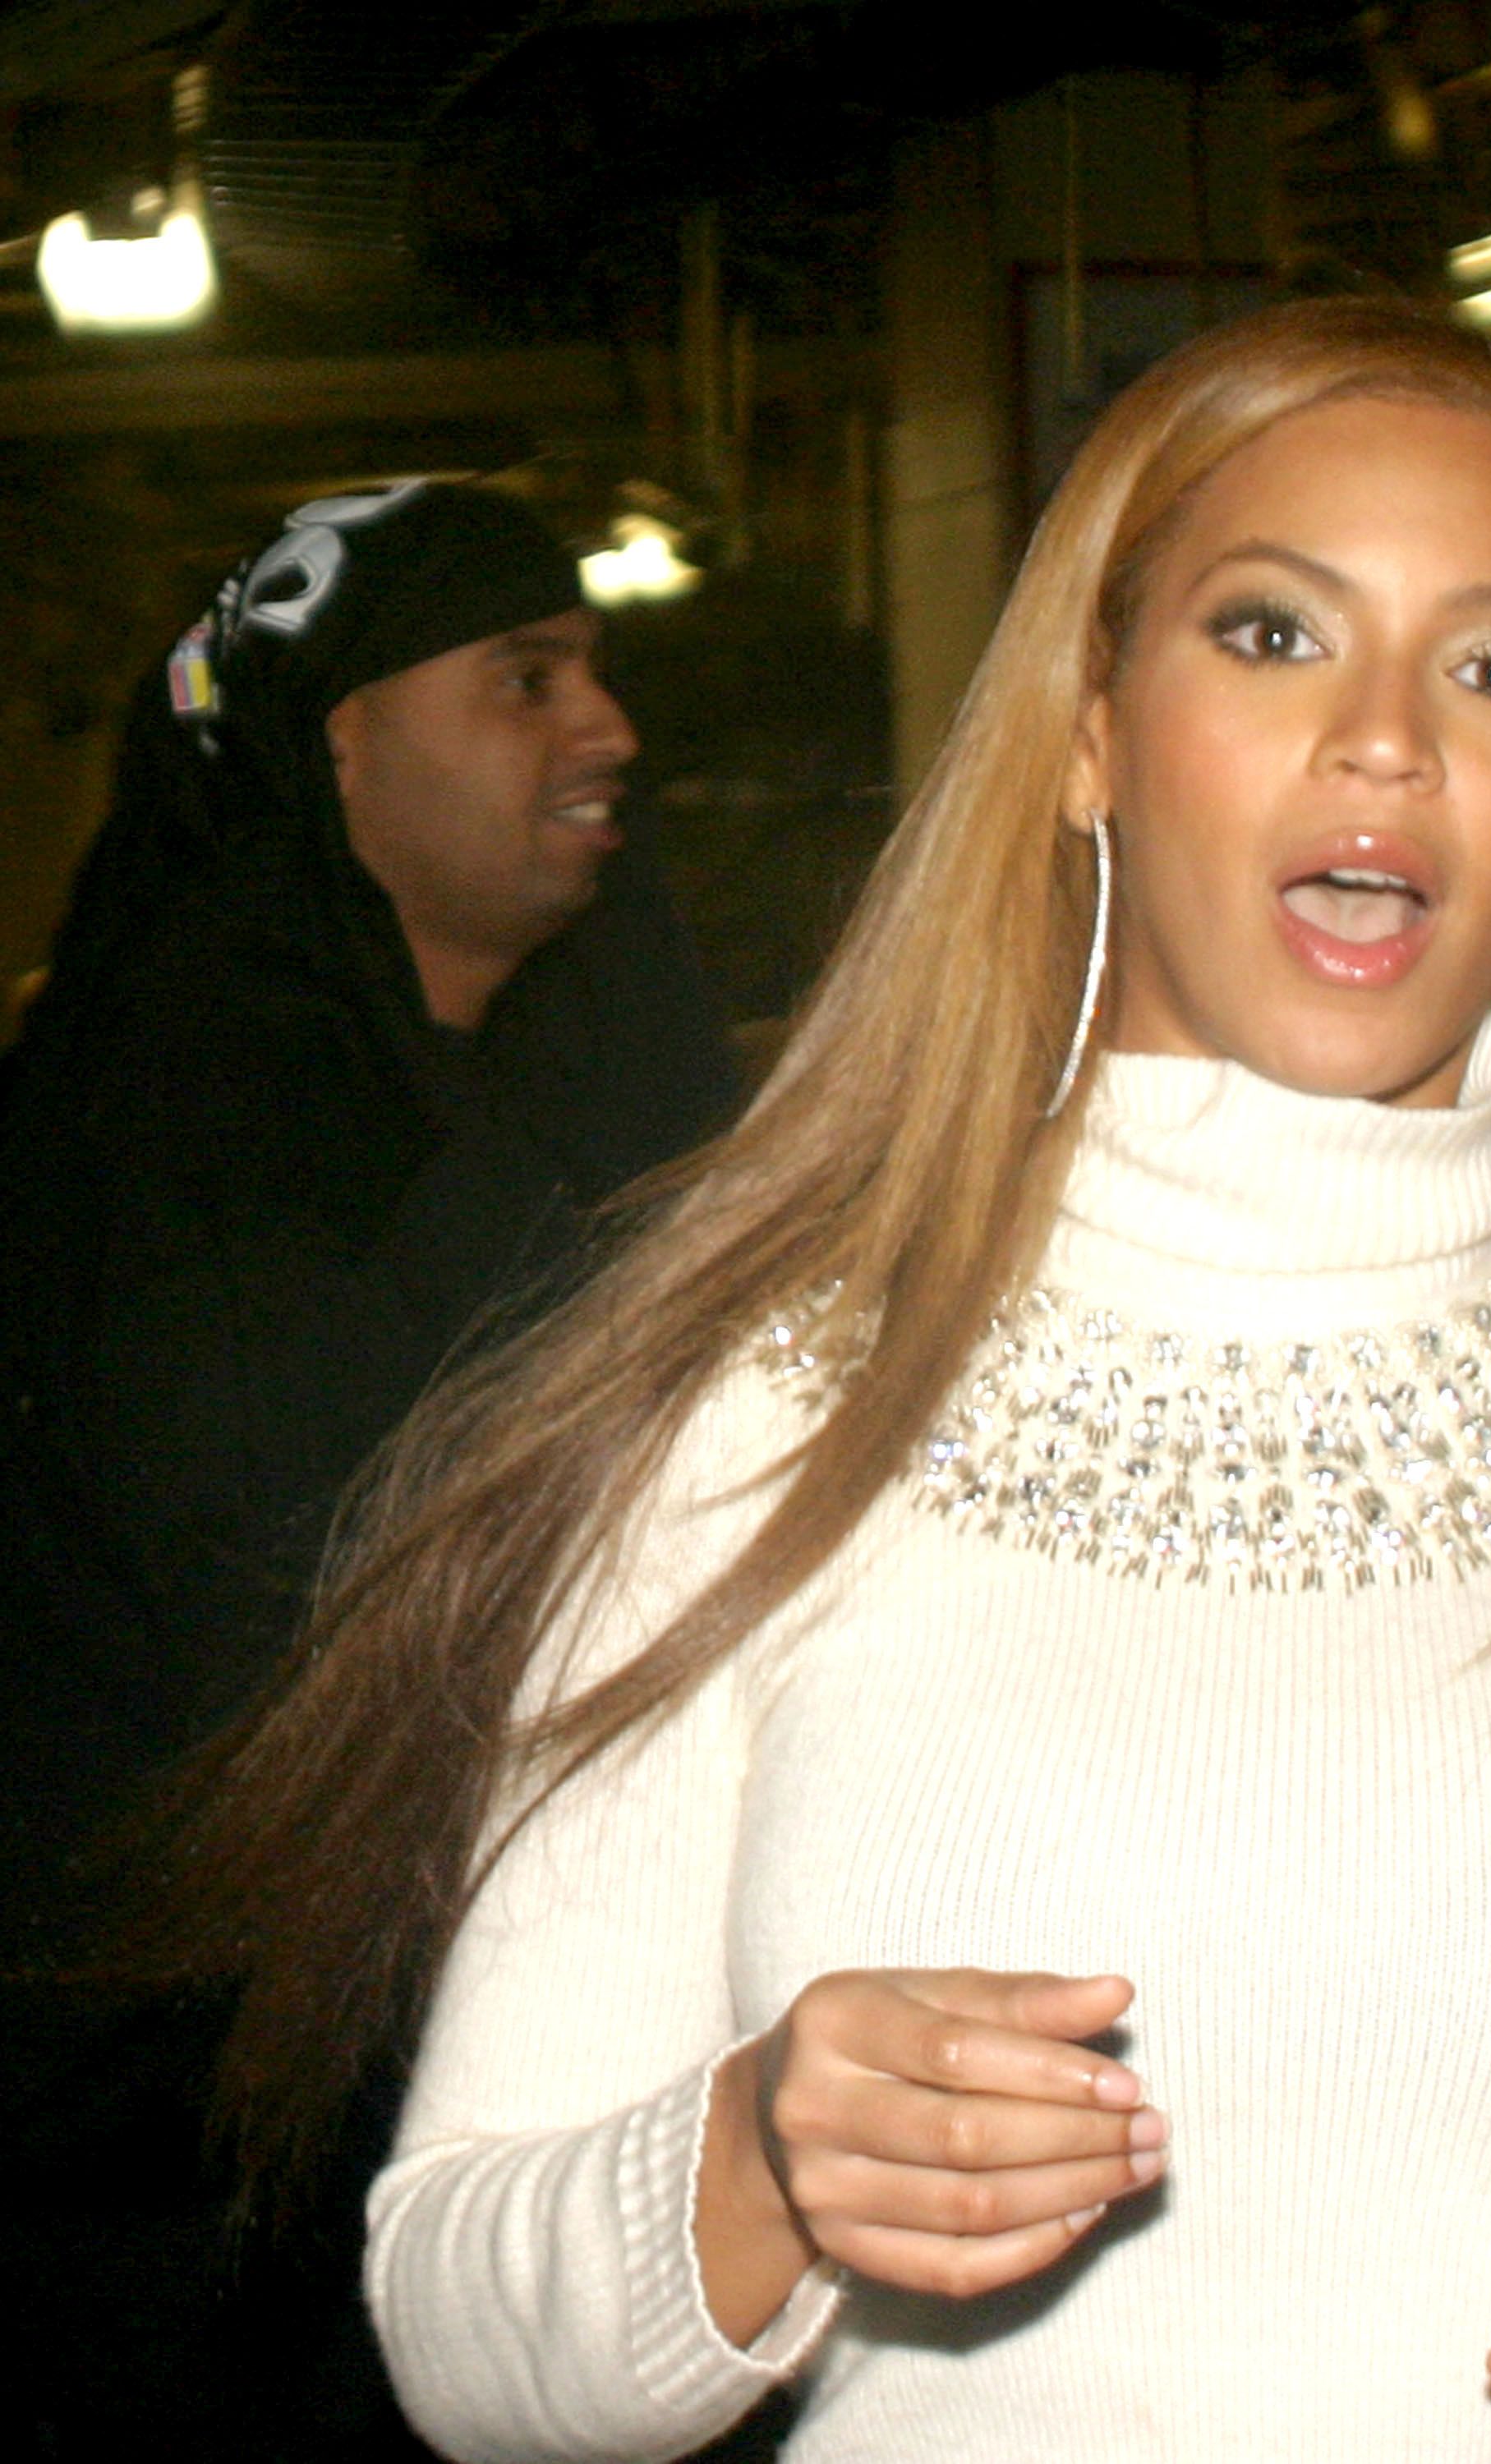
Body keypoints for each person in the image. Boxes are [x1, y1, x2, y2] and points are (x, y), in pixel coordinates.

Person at [162, 302, 1491, 2463]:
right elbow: (461, 2327)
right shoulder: (777, 1414)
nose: (1387, 741)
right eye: (1272, 635)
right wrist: (759, 2162)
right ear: (1088, 737)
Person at [0, 481, 736, 2459]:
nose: (607, 731)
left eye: (593, 672)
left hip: (511, 2134)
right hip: (198, 2206)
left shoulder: (573, 1077)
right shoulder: (174, 1147)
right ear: (339, 744)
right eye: (524, 679)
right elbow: (329, 1597)